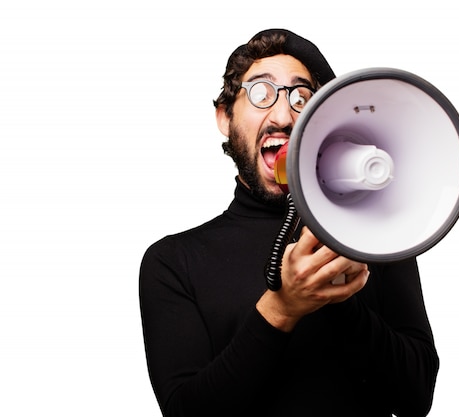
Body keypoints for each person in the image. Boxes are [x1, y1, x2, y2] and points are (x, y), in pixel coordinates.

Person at [139, 28, 439, 417]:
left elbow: (415, 399)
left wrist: (339, 297)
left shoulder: (373, 232)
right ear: (224, 117)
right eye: (261, 93)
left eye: (302, 99)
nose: (283, 116)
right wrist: (282, 307)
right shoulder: (174, 261)